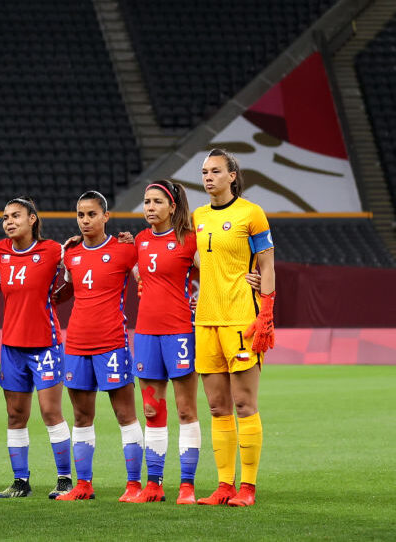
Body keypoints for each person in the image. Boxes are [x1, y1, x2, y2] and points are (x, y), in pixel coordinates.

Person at [193, 149, 275, 507]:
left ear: (232, 176)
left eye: (215, 171)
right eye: (204, 172)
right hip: (206, 321)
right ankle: (224, 485)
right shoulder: (197, 216)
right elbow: (189, 257)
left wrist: (267, 311)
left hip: (242, 319)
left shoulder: (252, 214)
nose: (208, 177)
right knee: (217, 407)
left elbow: (268, 264)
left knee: (244, 404)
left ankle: (248, 488)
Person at [54, 190, 141, 502]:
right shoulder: (71, 255)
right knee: (81, 416)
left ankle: (134, 485)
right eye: (81, 215)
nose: (85, 220)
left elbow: (147, 284)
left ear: (106, 217)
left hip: (112, 344)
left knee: (125, 414)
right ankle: (83, 485)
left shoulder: (126, 251)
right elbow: (60, 291)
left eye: (92, 214)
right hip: (76, 344)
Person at [0, 196, 74, 499]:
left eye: (15, 216)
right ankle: (20, 481)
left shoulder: (53, 251)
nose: (9, 221)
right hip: (12, 348)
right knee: (15, 415)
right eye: (5, 217)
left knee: (51, 412)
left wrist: (55, 299)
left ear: (32, 219)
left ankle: (65, 478)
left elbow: (74, 280)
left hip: (45, 345)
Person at [128, 181, 200, 504]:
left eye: (157, 201)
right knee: (151, 409)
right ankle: (154, 484)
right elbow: (132, 272)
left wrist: (206, 300)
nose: (150, 207)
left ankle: (187, 486)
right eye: (146, 201)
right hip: (145, 333)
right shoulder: (140, 241)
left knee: (186, 410)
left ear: (172, 207)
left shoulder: (189, 240)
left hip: (180, 332)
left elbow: (214, 272)